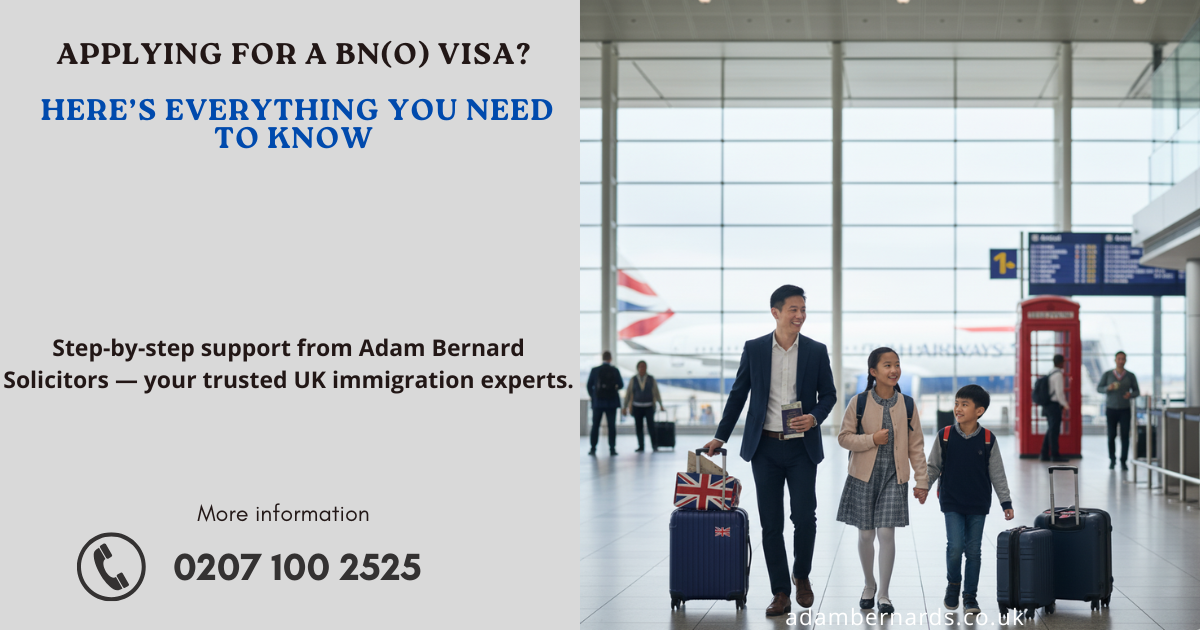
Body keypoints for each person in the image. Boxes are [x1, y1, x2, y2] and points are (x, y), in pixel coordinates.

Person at [702, 285, 837, 618]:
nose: (800, 316)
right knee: (771, 523)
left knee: (805, 517)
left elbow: (830, 396)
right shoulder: (756, 349)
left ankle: (801, 574)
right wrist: (721, 436)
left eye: (803, 309)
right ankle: (781, 591)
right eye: (793, 309)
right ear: (775, 312)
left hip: (801, 448)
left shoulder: (816, 351)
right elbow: (738, 395)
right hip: (764, 447)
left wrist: (814, 417)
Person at [835, 348, 929, 615]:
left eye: (897, 364)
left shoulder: (908, 404)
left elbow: (916, 446)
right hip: (862, 477)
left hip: (894, 477)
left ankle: (884, 594)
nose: (894, 370)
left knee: (886, 532)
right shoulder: (859, 402)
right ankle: (869, 584)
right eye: (887, 365)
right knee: (866, 534)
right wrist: (871, 439)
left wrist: (922, 480)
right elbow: (844, 438)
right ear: (873, 372)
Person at [926, 384, 1014, 616]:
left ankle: (970, 596)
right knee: (955, 547)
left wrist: (1006, 502)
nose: (958, 408)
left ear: (979, 411)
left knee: (973, 551)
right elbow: (933, 466)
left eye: (965, 404)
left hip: (977, 503)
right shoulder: (945, 435)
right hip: (951, 501)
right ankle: (954, 584)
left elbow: (997, 473)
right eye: (956, 403)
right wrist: (923, 486)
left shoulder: (987, 439)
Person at [1097, 351, 1141, 470]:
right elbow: (1099, 388)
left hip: (1125, 409)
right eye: (1119, 359)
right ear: (1115, 360)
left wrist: (1130, 395)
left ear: (1125, 361)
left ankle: (1123, 460)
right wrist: (1108, 388)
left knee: (1125, 436)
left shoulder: (1130, 376)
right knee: (1111, 436)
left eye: (1123, 359)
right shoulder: (1108, 375)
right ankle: (1112, 459)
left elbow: (1137, 391)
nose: (1121, 361)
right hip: (1111, 409)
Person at [586, 351, 624, 456]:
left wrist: (594, 397)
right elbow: (621, 385)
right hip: (612, 403)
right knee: (611, 426)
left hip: (598, 403)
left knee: (595, 426)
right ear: (610, 358)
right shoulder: (615, 370)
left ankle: (593, 448)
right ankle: (612, 448)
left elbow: (589, 386)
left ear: (602, 358)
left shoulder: (595, 370)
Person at [623, 360, 665, 452]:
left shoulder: (650, 379)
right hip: (637, 407)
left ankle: (654, 445)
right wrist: (624, 407)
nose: (642, 368)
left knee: (651, 427)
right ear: (638, 368)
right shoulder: (633, 379)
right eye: (641, 367)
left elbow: (656, 392)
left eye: (644, 367)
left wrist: (660, 404)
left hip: (649, 406)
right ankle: (641, 446)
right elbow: (628, 393)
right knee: (639, 427)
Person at [1039, 354, 1070, 463]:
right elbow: (1059, 392)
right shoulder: (1058, 375)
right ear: (1061, 362)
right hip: (1054, 406)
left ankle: (1044, 454)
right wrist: (1065, 405)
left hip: (1047, 405)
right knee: (1054, 431)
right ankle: (1055, 455)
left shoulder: (1050, 372)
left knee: (1050, 430)